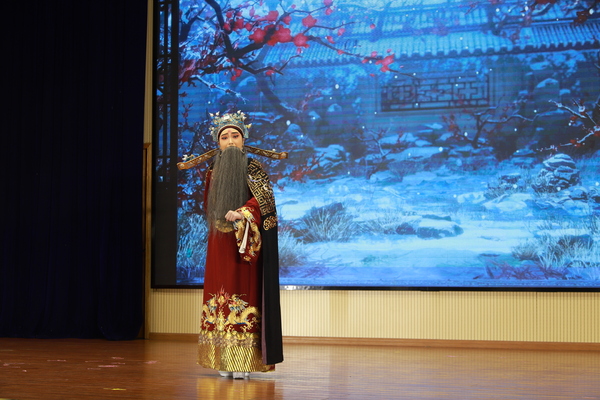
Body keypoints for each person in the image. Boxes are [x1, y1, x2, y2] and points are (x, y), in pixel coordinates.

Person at [196, 111, 284, 379]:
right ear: (218, 143)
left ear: (244, 139)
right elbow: (208, 204)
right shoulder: (212, 171)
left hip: (244, 243)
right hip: (219, 243)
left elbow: (264, 203)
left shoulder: (253, 168)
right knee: (218, 293)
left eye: (235, 135)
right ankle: (222, 359)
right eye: (225, 137)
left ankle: (246, 361)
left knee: (243, 292)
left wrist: (243, 214)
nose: (231, 141)